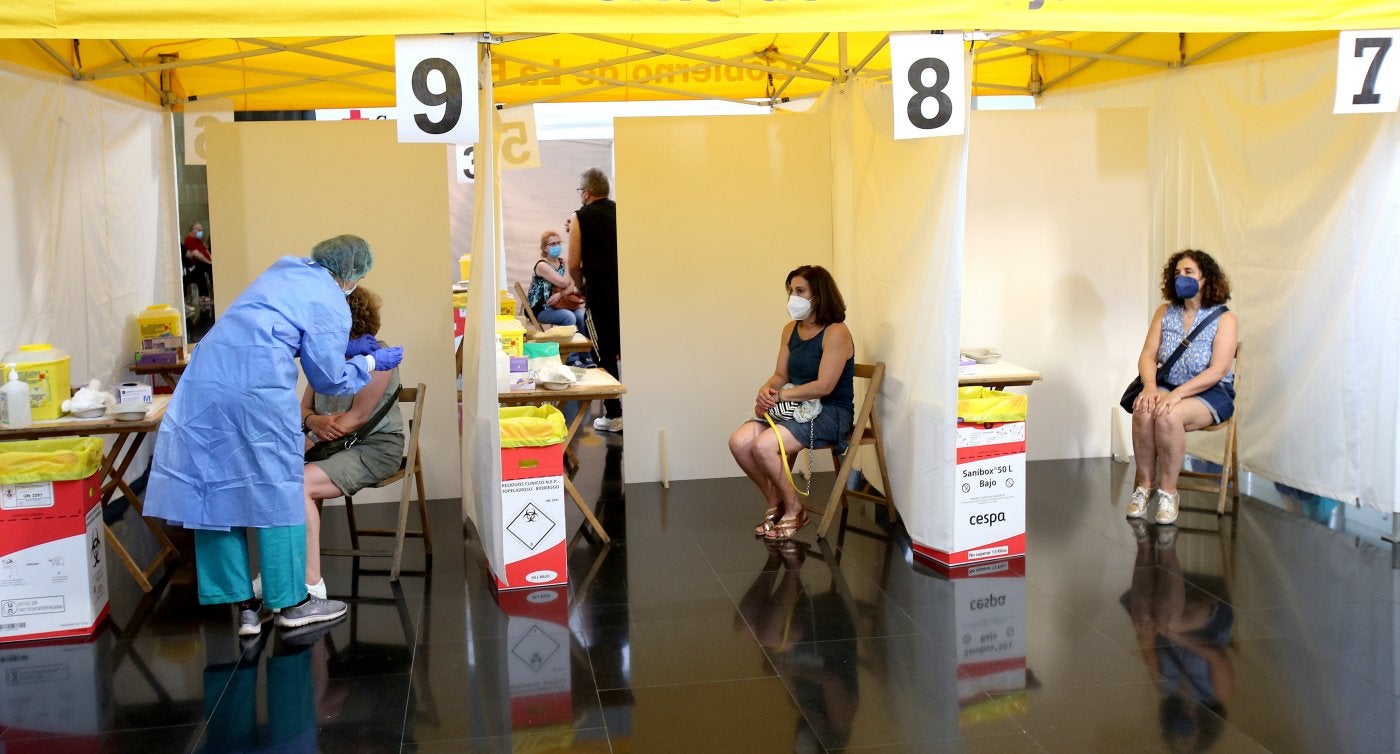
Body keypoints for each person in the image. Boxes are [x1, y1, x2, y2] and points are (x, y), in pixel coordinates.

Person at [145, 234, 405, 639]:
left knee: (215, 493)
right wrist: (369, 361)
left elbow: (268, 333)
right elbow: (328, 379)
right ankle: (293, 603)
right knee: (279, 489)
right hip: (256, 393)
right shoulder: (329, 298)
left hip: (204, 386)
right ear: (354, 273)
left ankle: (245, 609)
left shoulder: (282, 273)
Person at [728, 265, 855, 541]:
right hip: (796, 408)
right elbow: (781, 375)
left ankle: (795, 509)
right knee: (738, 442)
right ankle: (779, 502)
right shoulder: (790, 330)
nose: (792, 298)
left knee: (763, 446)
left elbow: (825, 386)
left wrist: (781, 395)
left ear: (818, 295)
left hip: (831, 411)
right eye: (790, 292)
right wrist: (765, 391)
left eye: (799, 291)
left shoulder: (837, 332)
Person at [299, 286, 404, 598]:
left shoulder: (379, 357)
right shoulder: (325, 358)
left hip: (373, 448)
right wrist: (311, 421)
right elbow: (303, 407)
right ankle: (283, 572)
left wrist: (311, 433)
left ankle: (311, 587)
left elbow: (355, 420)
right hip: (328, 445)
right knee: (276, 478)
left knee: (296, 486)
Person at [1125, 249, 1238, 525]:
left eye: (1188, 273)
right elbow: (1148, 355)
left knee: (1168, 415)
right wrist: (1150, 387)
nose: (1181, 278)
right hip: (1167, 384)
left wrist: (1176, 395)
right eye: (1177, 273)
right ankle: (1145, 486)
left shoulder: (1225, 318)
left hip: (1210, 390)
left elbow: (1218, 370)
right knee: (1143, 408)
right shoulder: (1165, 312)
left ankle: (1169, 493)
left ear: (1205, 279)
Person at [567, 167, 623, 432]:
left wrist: (581, 286)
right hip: (626, 292)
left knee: (604, 352)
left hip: (599, 292)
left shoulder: (580, 217)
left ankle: (614, 414)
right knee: (626, 349)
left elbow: (573, 263)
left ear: (586, 193)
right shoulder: (621, 211)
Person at [527, 229, 590, 364]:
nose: (556, 246)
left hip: (562, 303)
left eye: (558, 243)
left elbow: (572, 285)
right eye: (552, 244)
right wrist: (569, 265)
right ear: (545, 248)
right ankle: (571, 359)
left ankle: (585, 355)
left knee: (581, 315)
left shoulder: (562, 263)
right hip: (543, 308)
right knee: (569, 317)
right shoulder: (542, 265)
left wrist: (561, 294)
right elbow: (564, 282)